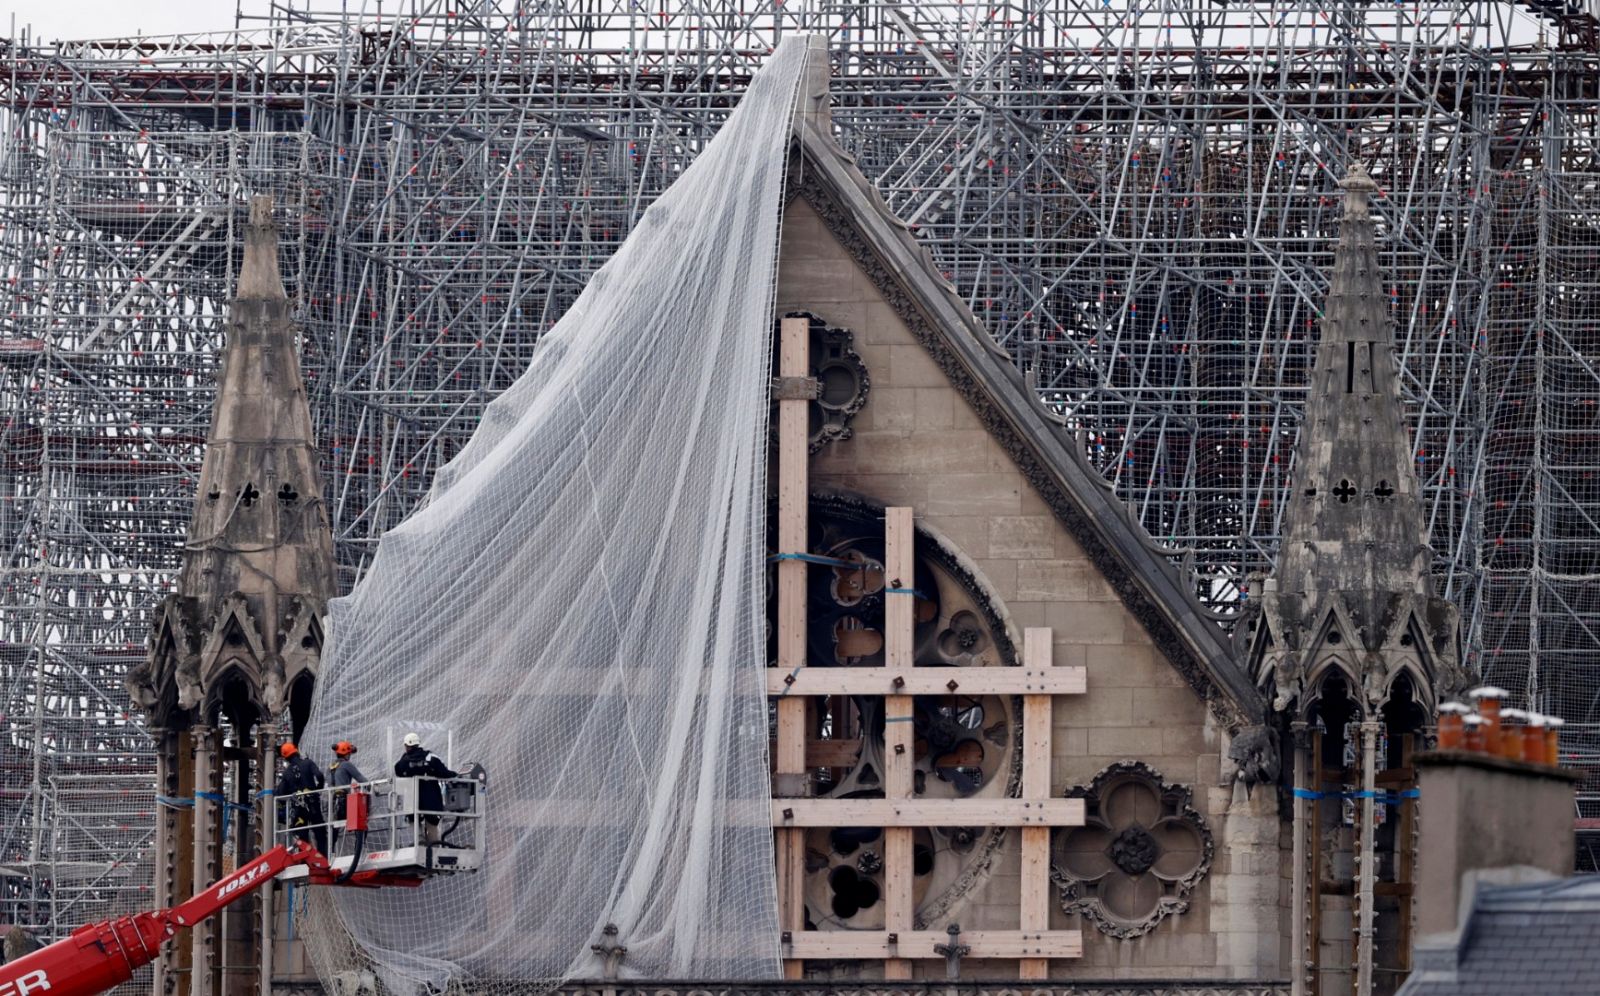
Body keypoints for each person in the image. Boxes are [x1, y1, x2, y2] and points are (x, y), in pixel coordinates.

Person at [394, 732, 457, 845]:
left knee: (413, 819)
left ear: (407, 745)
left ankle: (420, 841)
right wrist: (456, 775)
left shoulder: (404, 761)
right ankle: (434, 844)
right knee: (432, 822)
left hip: (412, 797)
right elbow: (443, 772)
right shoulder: (430, 757)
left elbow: (398, 771)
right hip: (431, 797)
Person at [274, 742, 327, 855]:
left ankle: (305, 861)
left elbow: (280, 793)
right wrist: (318, 788)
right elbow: (319, 776)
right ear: (296, 751)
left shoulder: (287, 772)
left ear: (285, 757)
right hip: (313, 804)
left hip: (299, 809)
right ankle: (324, 858)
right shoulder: (308, 763)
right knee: (320, 831)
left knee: (302, 835)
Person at [327, 740, 368, 846]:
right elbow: (361, 779)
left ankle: (330, 851)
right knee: (361, 823)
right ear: (346, 754)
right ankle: (359, 848)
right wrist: (371, 786)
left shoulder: (330, 766)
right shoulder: (346, 765)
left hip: (333, 802)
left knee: (334, 828)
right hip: (344, 800)